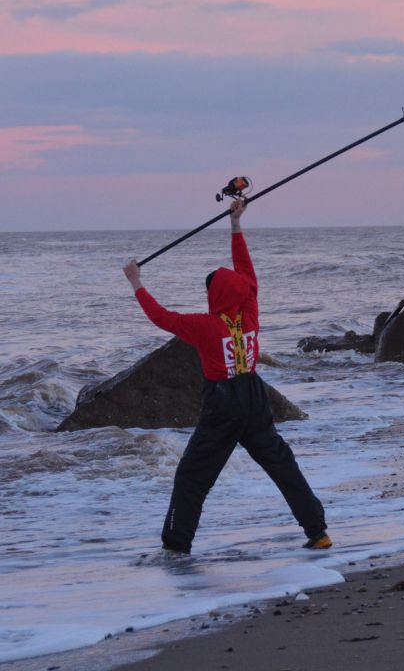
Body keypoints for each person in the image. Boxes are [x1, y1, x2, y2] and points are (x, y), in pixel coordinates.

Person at [122, 199, 330, 555]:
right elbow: (247, 274)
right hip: (254, 396)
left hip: (222, 403)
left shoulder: (205, 326)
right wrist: (235, 226)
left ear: (214, 295)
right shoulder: (250, 311)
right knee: (282, 465)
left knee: (193, 476)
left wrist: (136, 282)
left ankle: (175, 546)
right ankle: (318, 531)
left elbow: (162, 317)